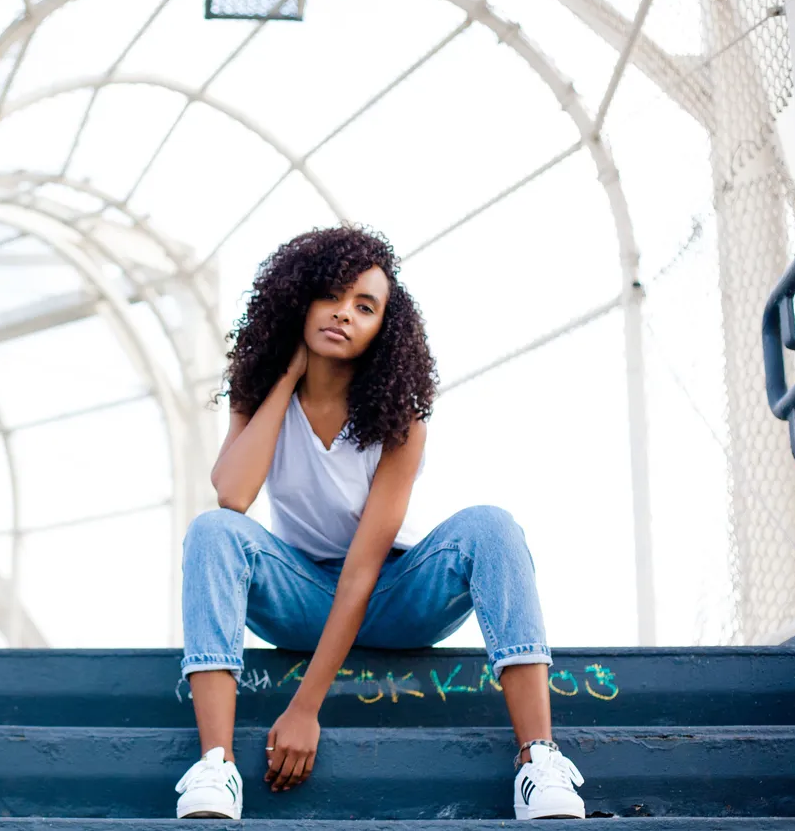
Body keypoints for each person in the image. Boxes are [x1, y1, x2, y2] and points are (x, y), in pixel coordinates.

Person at [172, 225, 585, 821]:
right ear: (299, 301)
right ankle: (216, 765)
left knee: (491, 526)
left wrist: (304, 708)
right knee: (212, 533)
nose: (344, 314)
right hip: (301, 597)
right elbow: (232, 496)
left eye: (364, 307)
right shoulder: (258, 394)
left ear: (381, 331)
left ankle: (538, 762)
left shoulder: (399, 420)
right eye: (331, 296)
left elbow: (364, 571)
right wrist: (285, 378)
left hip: (395, 595)